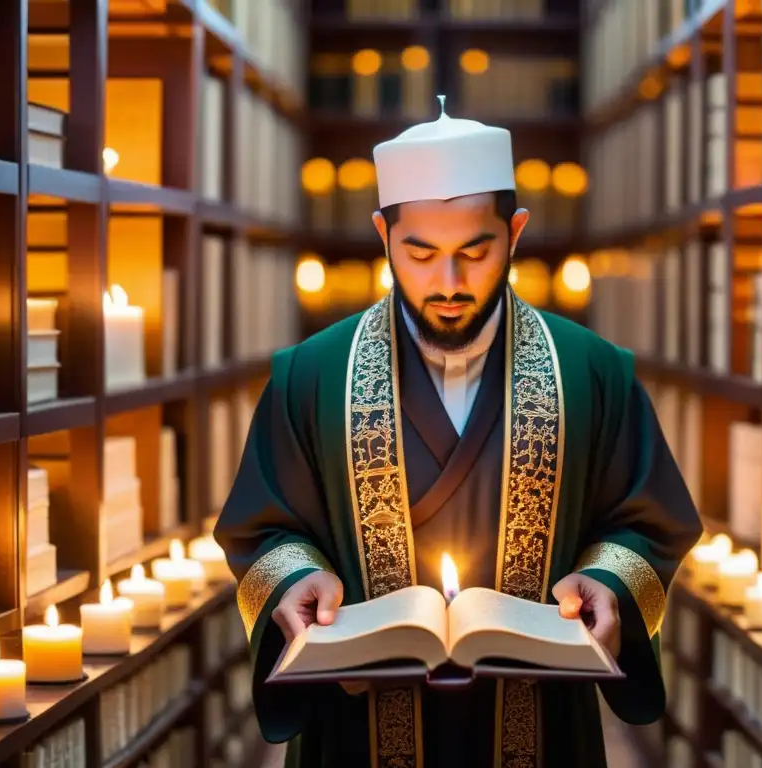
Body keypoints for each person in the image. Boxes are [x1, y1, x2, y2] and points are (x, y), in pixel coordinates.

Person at [214, 96, 703, 768]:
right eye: (419, 254)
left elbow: (648, 524)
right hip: (355, 725)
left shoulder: (591, 371)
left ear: (517, 232)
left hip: (541, 722)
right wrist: (291, 581)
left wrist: (610, 585)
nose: (449, 282)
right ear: (382, 235)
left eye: (475, 251)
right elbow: (264, 528)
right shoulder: (311, 376)